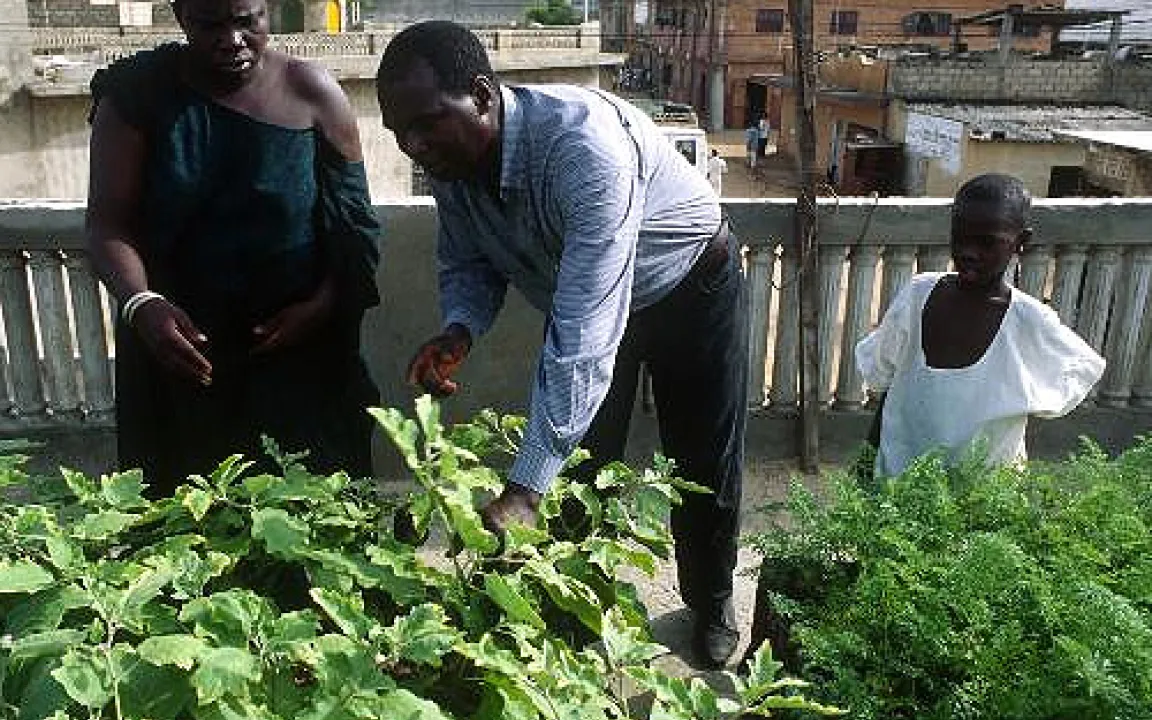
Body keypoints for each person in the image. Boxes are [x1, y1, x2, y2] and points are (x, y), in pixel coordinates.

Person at [376, 20, 747, 669]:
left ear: (481, 96)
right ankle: (574, 608)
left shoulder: (584, 149)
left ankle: (712, 600)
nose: (414, 145)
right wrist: (460, 328)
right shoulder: (449, 166)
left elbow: (583, 333)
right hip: (589, 299)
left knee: (701, 462)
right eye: (399, 132)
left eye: (427, 123)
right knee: (578, 470)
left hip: (691, 285)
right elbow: (467, 261)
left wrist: (522, 490)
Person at [86, 0, 382, 498]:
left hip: (301, 365)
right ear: (180, 16)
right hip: (182, 361)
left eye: (247, 21)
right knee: (190, 518)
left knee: (313, 517)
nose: (232, 40)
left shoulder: (313, 92)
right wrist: (142, 303)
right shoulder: (137, 98)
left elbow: (356, 226)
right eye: (210, 24)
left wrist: (323, 305)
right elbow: (107, 223)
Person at [856, 173, 1105, 478]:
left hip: (985, 494)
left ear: (1021, 242)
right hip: (901, 482)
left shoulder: (1028, 322)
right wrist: (867, 461)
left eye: (987, 242)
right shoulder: (917, 297)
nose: (968, 252)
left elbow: (1080, 369)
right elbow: (890, 385)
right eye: (960, 237)